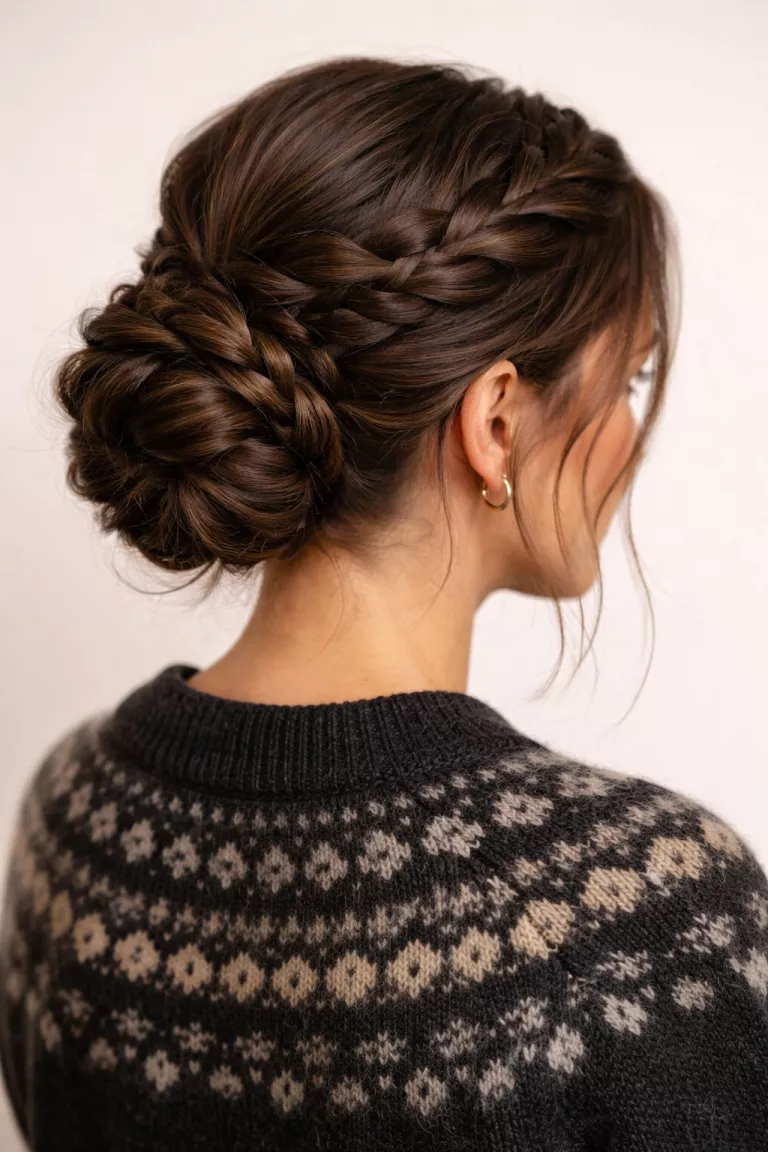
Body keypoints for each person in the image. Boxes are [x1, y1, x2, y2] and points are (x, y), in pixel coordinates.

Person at [1, 54, 766, 1152]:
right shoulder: (645, 926)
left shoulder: (71, 817)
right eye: (628, 376)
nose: (634, 435)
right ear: (496, 420)